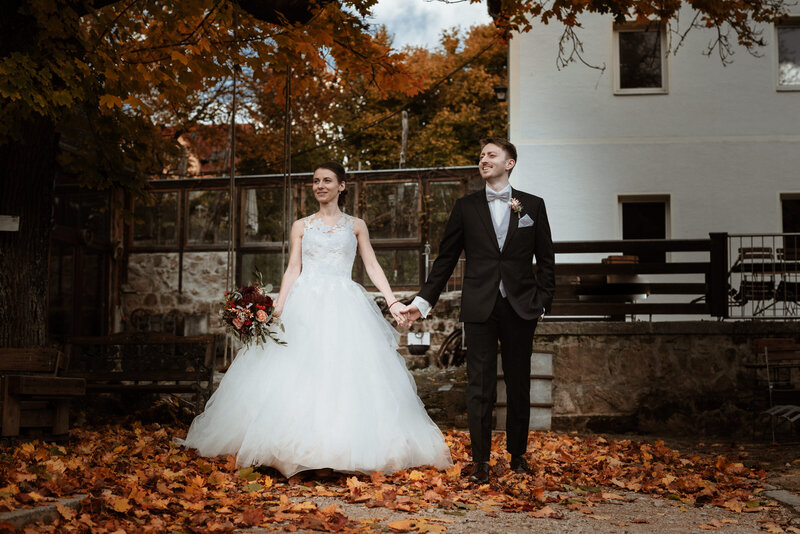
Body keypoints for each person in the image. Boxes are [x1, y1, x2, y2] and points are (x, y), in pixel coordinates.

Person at [178, 161, 452, 478]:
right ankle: (290, 451)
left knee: (344, 374)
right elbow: (293, 268)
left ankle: (341, 448)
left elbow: (373, 266)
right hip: (304, 303)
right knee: (295, 371)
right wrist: (278, 304)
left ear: (342, 186)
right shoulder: (301, 226)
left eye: (327, 180)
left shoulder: (356, 225)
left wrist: (391, 300)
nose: (320, 185)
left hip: (344, 303)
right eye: (315, 181)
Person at [403, 138, 555, 484]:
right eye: (481, 154)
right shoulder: (466, 207)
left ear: (509, 163)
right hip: (479, 306)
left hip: (521, 307)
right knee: (479, 385)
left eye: (491, 155)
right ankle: (481, 462)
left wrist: (543, 301)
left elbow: (546, 259)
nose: (483, 159)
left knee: (518, 384)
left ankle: (518, 456)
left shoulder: (532, 205)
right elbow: (445, 260)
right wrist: (423, 301)